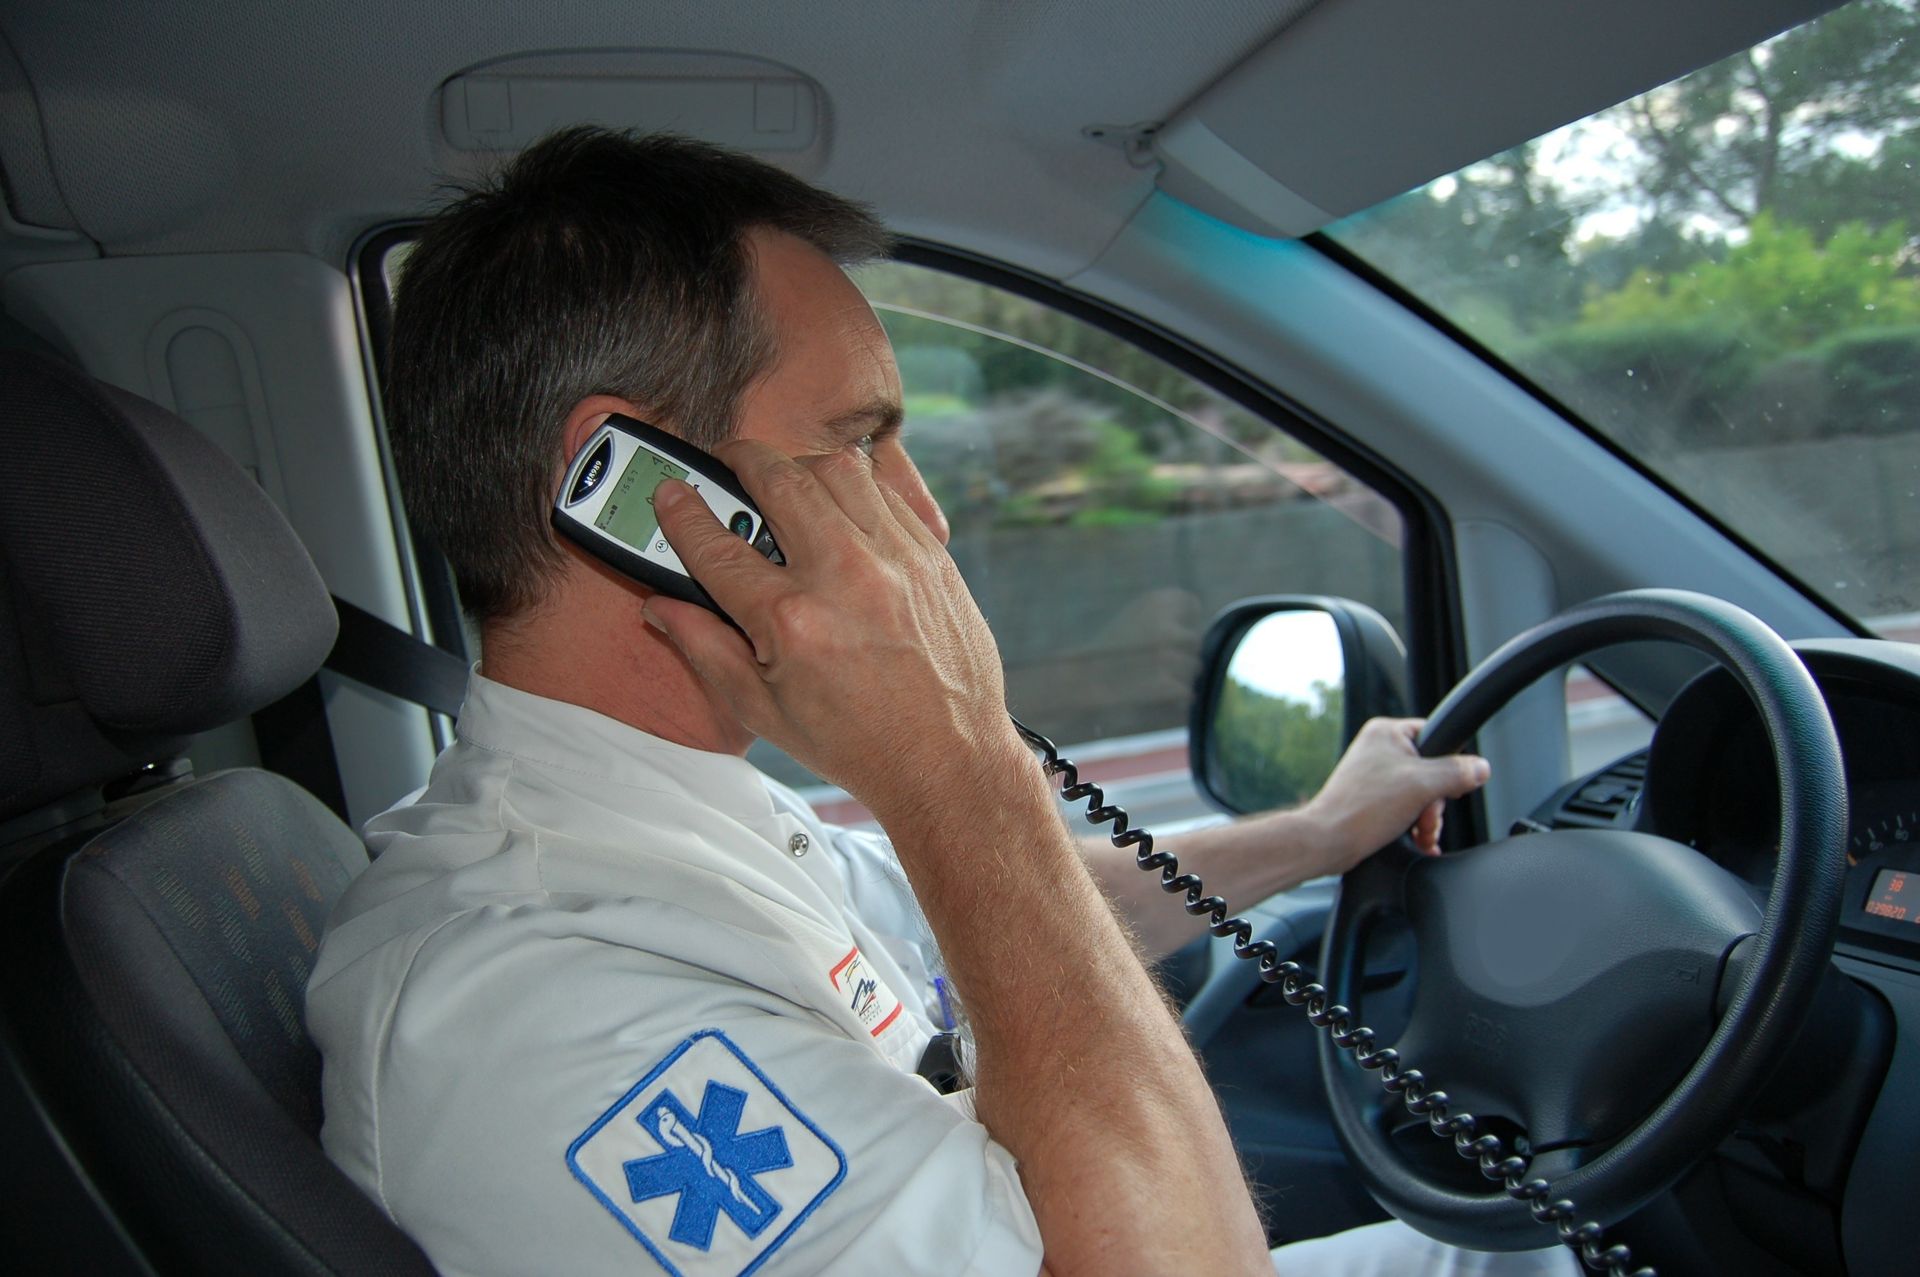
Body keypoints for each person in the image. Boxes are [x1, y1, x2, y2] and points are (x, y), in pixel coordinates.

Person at [306, 127, 1574, 1277]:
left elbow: (998, 919)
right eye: (859, 443)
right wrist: (954, 759)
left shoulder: (672, 810)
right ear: (645, 496)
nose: (926, 516)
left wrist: (1315, 830)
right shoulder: (529, 1007)